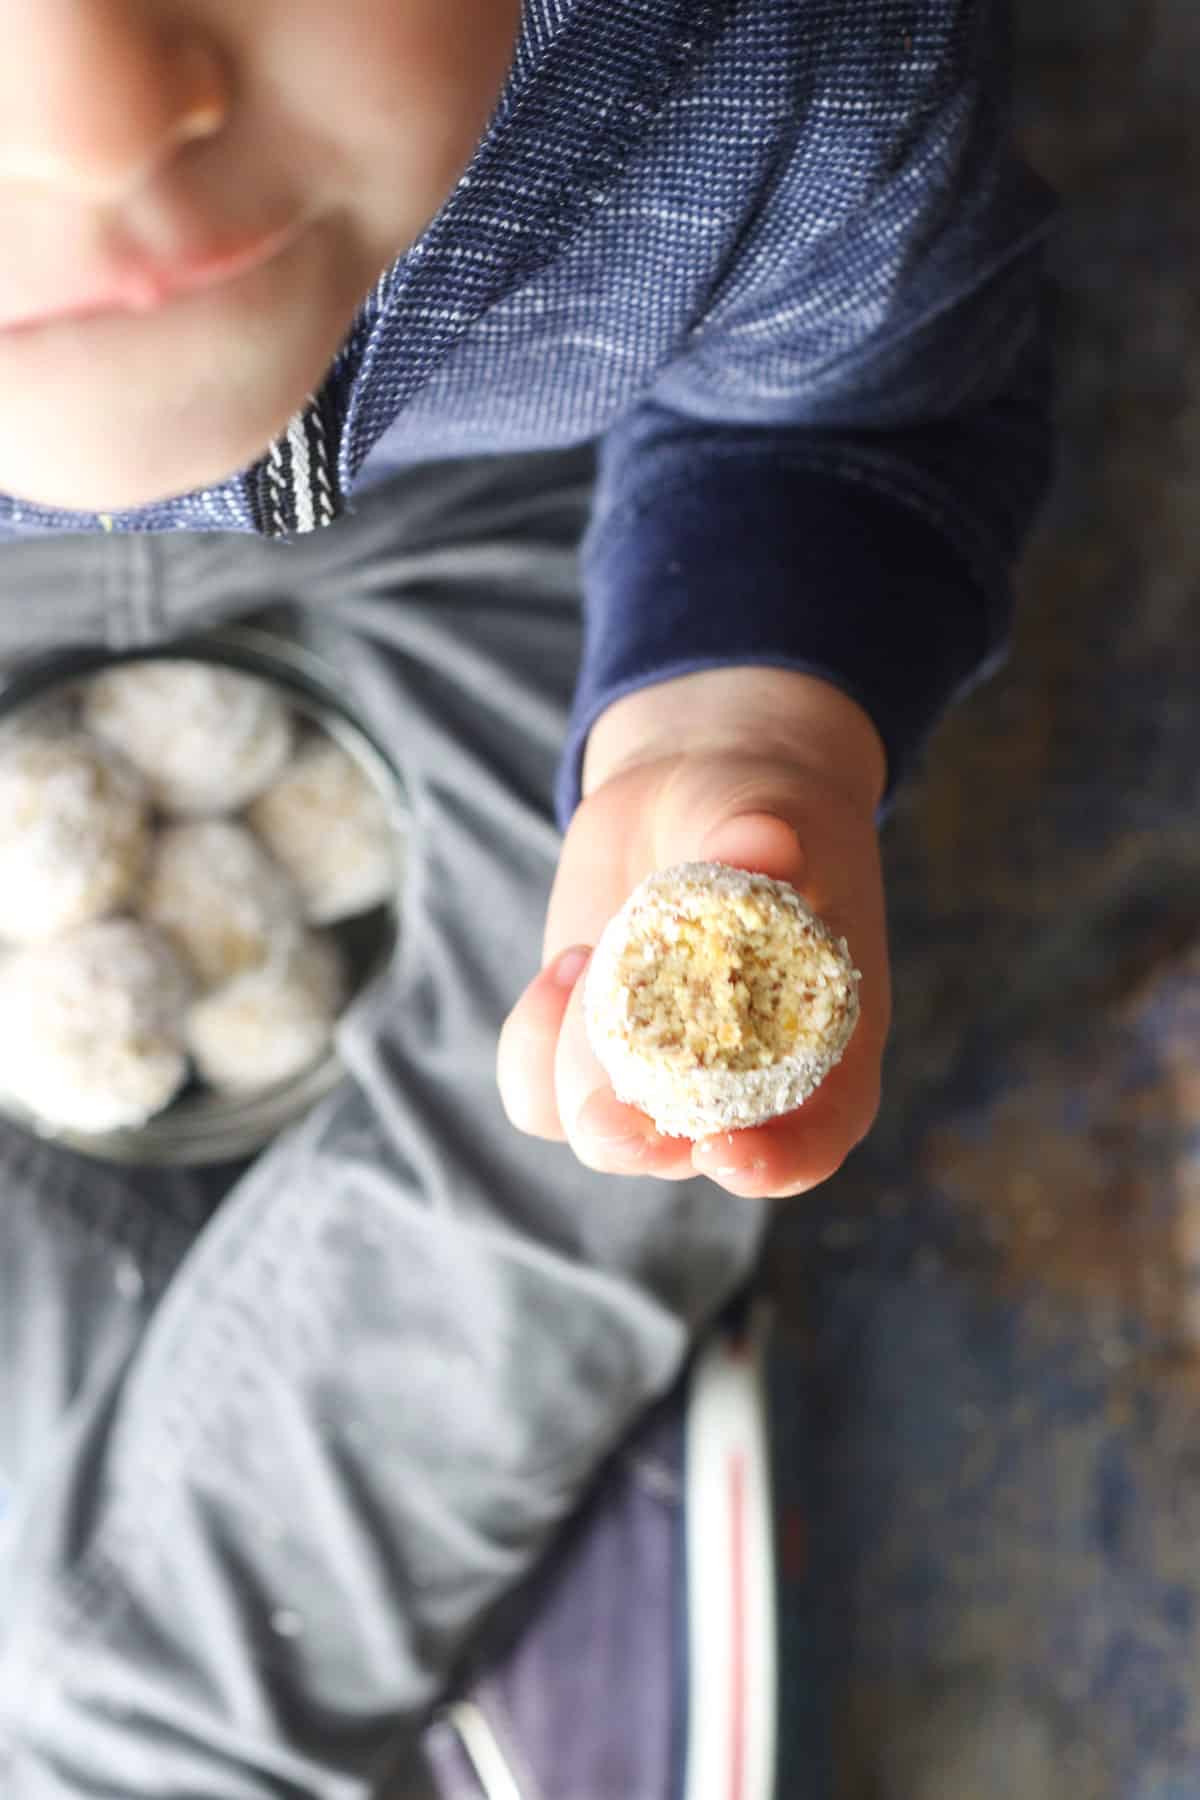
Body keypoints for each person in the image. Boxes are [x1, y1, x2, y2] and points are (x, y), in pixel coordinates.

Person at [0, 0, 1052, 1793]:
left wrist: (740, 705)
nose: (97, 117)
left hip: (517, 528)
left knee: (573, 1142)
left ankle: (145, 1731)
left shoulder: (766, 64)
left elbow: (848, 408)